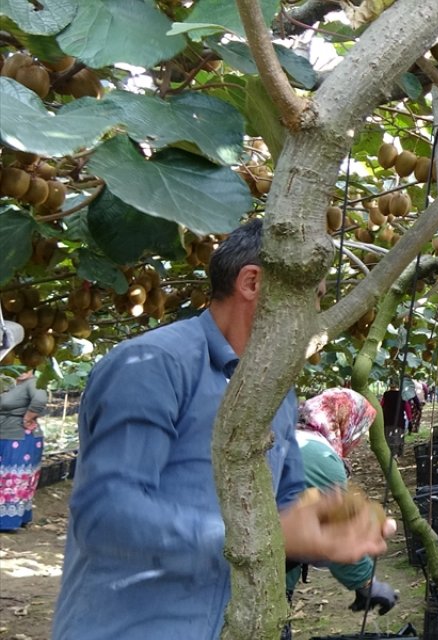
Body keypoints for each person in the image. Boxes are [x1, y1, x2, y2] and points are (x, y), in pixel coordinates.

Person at [52, 219, 391, 640]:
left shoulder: (277, 392)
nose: (315, 315)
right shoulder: (153, 365)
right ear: (252, 282)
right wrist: (254, 537)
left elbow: (286, 501)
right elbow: (106, 513)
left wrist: (328, 522)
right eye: (314, 297)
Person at [287, 388, 398, 616]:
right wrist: (366, 583)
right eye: (361, 432)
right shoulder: (322, 459)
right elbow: (335, 531)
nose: (358, 441)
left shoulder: (290, 436)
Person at [0, 367, 47, 532]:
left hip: (20, 437)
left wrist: (28, 417)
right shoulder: (8, 382)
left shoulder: (32, 383)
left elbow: (40, 400)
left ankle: (8, 521)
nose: (21, 369)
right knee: (6, 477)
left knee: (14, 479)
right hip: (7, 435)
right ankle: (15, 518)